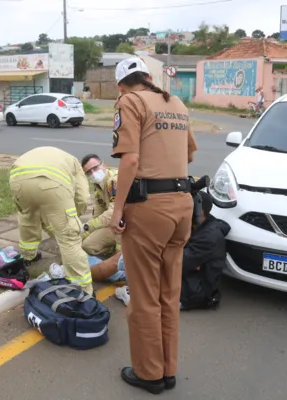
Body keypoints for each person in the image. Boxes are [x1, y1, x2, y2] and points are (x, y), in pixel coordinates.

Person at [109, 57, 197, 394]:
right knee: (168, 293)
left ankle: (149, 374)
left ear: (121, 85)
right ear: (148, 76)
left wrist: (118, 209)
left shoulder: (129, 102)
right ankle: (168, 369)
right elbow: (188, 155)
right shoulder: (175, 102)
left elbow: (130, 159)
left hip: (148, 209)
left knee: (144, 296)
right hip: (182, 206)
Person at [86, 178, 230, 311]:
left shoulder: (209, 237)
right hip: (184, 281)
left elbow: (175, 263)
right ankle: (88, 271)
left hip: (189, 293)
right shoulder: (199, 226)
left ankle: (96, 278)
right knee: (129, 257)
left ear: (200, 211)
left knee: (131, 258)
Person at [9, 146, 94, 295]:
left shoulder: (56, 156)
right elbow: (82, 197)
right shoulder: (75, 165)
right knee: (69, 238)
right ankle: (83, 290)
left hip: (17, 178)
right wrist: (73, 216)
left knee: (28, 217)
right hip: (50, 182)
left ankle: (29, 256)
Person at [80, 154, 121, 258]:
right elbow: (98, 213)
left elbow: (113, 212)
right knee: (82, 239)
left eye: (95, 168)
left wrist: (87, 226)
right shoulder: (98, 186)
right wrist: (84, 233)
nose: (93, 173)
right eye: (89, 172)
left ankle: (111, 256)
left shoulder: (114, 181)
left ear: (103, 164)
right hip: (115, 222)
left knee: (88, 246)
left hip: (125, 225)